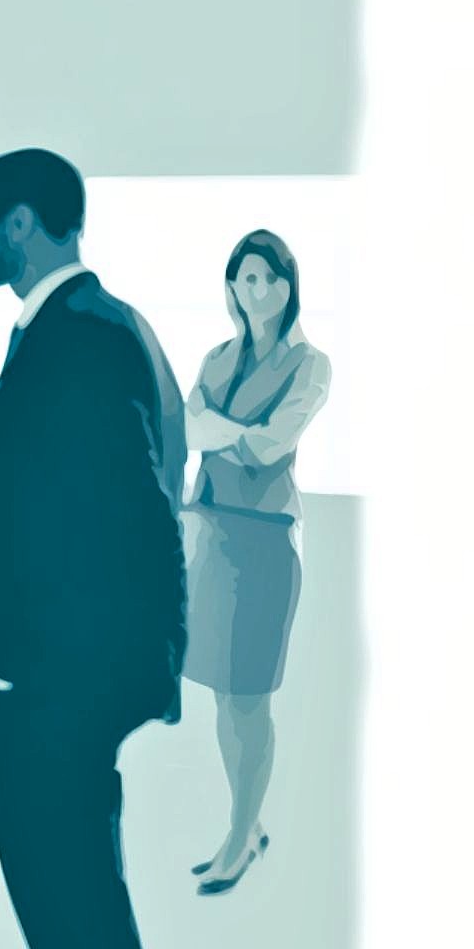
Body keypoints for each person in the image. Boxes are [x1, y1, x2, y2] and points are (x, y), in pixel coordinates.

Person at [0, 148, 186, 949]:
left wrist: (59, 678)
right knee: (78, 928)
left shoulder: (81, 336)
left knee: (82, 928)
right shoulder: (91, 326)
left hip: (52, 699)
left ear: (24, 224)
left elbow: (138, 512)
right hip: (53, 690)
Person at [183, 229, 332, 895]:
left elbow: (271, 447)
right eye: (248, 278)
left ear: (289, 284)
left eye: (272, 278)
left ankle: (241, 837)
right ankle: (245, 822)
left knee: (251, 697)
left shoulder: (309, 364)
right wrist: (216, 433)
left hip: (265, 539)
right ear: (232, 287)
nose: (260, 290)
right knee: (223, 692)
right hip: (212, 534)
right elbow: (185, 429)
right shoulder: (218, 357)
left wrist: (220, 431)